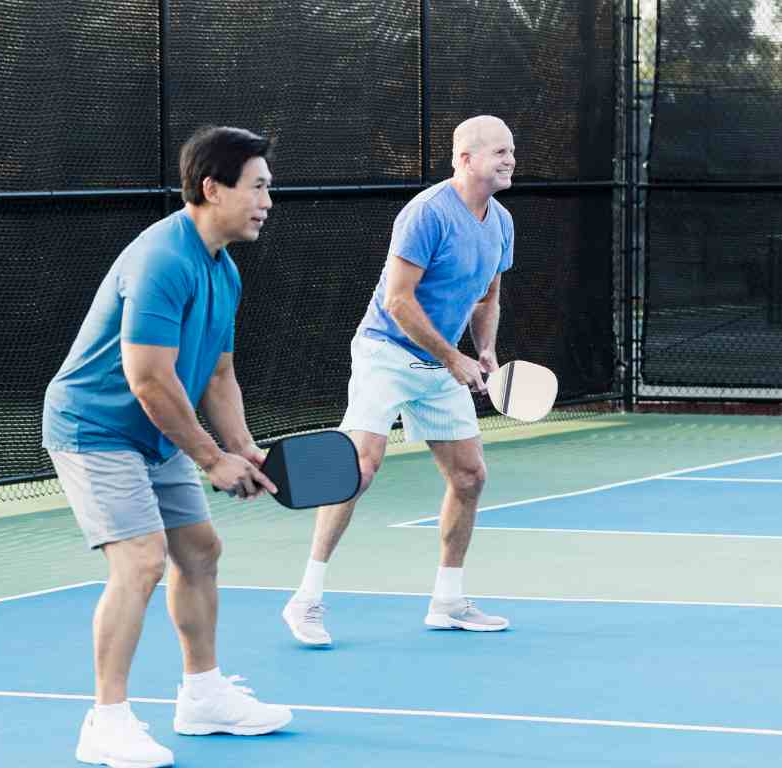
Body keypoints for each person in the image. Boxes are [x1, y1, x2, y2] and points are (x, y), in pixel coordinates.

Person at [43, 126, 290, 768]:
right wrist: (212, 458)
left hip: (156, 430)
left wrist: (243, 446)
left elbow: (216, 373)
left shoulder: (223, 269)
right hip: (96, 428)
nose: (269, 199)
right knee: (142, 560)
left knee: (200, 550)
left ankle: (203, 696)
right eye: (258, 186)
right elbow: (147, 377)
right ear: (212, 188)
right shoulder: (163, 260)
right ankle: (106, 720)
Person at [282, 115, 516, 647]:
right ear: (464, 159)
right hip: (386, 352)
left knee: (469, 476)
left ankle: (449, 601)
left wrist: (484, 352)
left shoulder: (501, 222)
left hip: (442, 364)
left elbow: (487, 298)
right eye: (499, 152)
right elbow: (398, 300)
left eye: (511, 151)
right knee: (357, 469)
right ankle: (306, 600)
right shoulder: (427, 214)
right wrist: (452, 358)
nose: (510, 160)